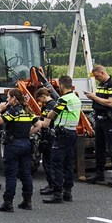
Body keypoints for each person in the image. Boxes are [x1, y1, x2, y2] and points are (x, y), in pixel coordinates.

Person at [0, 88, 42, 212]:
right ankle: (27, 201)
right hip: (26, 143)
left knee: (11, 175)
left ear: (14, 98)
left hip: (13, 145)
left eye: (8, 97)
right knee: (26, 174)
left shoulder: (13, 111)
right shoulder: (28, 111)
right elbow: (38, 125)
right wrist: (27, 133)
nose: (7, 99)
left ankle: (8, 203)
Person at [41, 76, 82, 204]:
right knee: (68, 163)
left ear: (62, 86)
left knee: (56, 163)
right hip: (72, 132)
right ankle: (67, 192)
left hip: (62, 133)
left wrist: (50, 113)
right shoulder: (75, 98)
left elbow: (51, 114)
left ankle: (57, 194)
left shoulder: (64, 99)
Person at [84, 65, 112, 187]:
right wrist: (93, 98)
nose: (96, 79)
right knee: (99, 147)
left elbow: (111, 103)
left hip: (110, 120)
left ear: (102, 73)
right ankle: (99, 173)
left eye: (96, 76)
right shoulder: (101, 85)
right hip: (99, 119)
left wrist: (93, 97)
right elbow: (100, 101)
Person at [34, 87, 57, 195]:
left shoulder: (49, 106)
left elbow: (46, 123)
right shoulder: (52, 104)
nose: (39, 102)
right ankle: (51, 184)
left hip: (49, 136)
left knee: (48, 162)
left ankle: (52, 185)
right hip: (50, 135)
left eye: (39, 99)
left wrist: (34, 120)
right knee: (48, 162)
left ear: (43, 96)